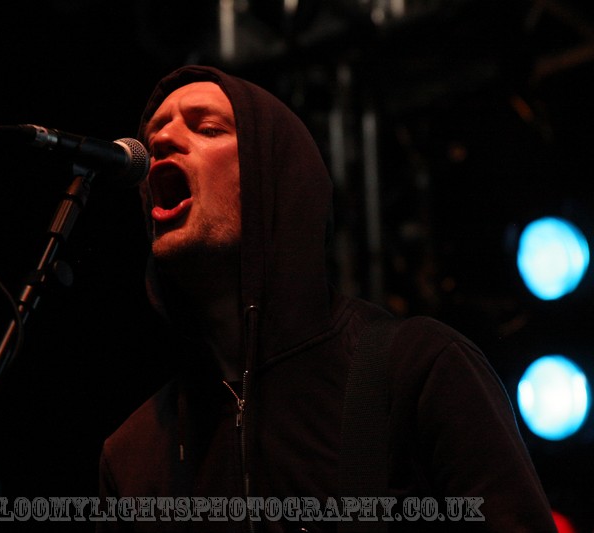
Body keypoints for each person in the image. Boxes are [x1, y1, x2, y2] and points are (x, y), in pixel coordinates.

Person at [95, 65, 557, 532]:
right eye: (155, 132)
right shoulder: (135, 455)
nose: (161, 140)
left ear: (274, 176)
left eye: (208, 128)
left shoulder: (416, 370)